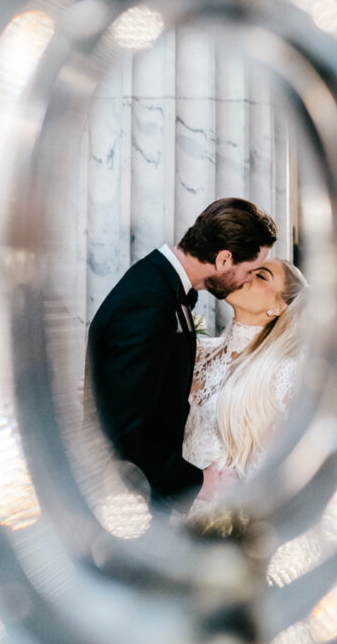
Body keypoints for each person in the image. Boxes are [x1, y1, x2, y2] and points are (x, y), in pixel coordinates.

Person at [86, 198, 277, 508]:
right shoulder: (148, 301)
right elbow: (125, 434)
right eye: (251, 270)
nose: (247, 280)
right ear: (224, 259)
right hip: (130, 505)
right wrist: (202, 482)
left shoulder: (161, 287)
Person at [183, 258, 308, 495]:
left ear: (279, 306)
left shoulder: (282, 372)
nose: (244, 275)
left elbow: (280, 471)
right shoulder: (198, 351)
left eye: (261, 276)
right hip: (173, 508)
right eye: (247, 269)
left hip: (223, 519)